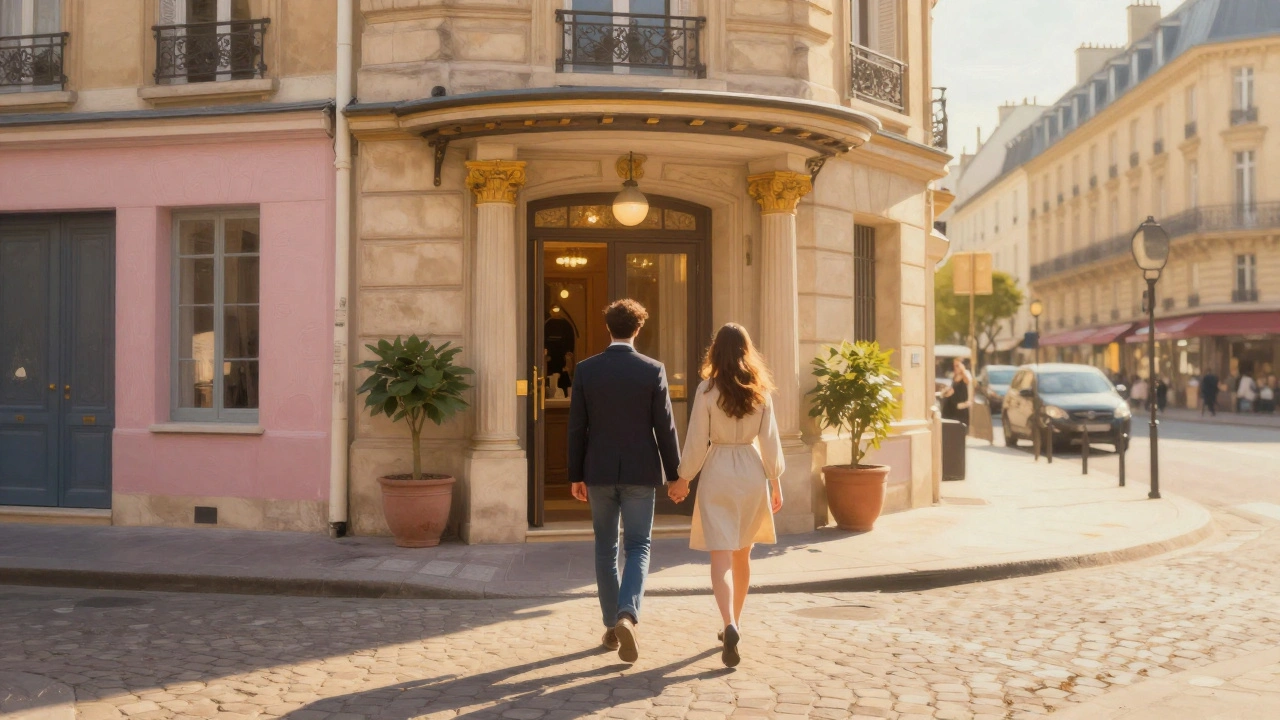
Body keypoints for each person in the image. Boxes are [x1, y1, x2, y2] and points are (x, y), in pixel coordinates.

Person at [567, 298, 680, 665]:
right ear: (638, 329)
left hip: (598, 471)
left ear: (607, 329)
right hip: (640, 472)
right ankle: (626, 615)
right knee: (638, 546)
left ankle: (612, 625)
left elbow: (576, 428)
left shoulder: (586, 370)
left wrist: (575, 475)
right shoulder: (652, 369)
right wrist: (677, 474)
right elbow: (665, 426)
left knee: (605, 549)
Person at [667, 323, 783, 669]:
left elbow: (696, 441)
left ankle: (728, 622)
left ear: (715, 351)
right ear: (748, 351)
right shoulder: (761, 392)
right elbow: (771, 442)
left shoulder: (706, 390)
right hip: (750, 471)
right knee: (742, 555)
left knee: (720, 558)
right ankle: (736, 623)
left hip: (718, 470)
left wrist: (683, 479)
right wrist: (776, 483)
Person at [940, 357, 973, 426]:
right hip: (950, 410)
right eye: (954, 365)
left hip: (959, 412)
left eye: (957, 365)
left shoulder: (966, 376)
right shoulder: (955, 377)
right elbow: (952, 392)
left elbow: (970, 399)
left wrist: (960, 405)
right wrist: (945, 393)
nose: (955, 367)